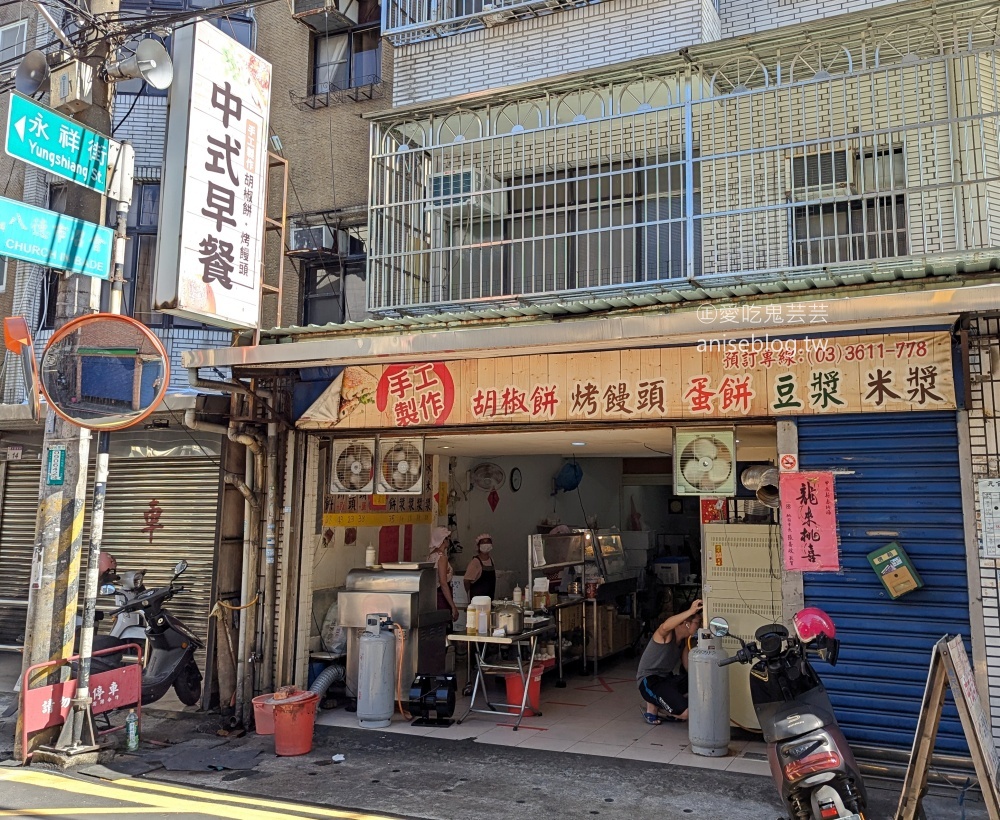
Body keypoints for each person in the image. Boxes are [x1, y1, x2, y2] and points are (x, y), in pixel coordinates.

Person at [636, 598, 703, 724]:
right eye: (697, 622)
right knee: (686, 713)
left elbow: (688, 668)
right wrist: (690, 611)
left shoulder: (684, 641)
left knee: (695, 680)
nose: (699, 626)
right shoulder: (666, 635)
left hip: (666, 679)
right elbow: (665, 625)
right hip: (650, 681)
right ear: (686, 623)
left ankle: (660, 704)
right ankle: (655, 707)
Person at [429, 526, 459, 623]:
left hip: (433, 596)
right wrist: (453, 606)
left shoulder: (431, 556)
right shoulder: (441, 557)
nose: (449, 540)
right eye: (447, 538)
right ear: (443, 540)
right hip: (442, 597)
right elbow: (443, 583)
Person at [463, 533, 497, 600]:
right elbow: (466, 580)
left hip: (489, 600)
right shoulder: (475, 562)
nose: (486, 545)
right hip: (477, 601)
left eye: (488, 542)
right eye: (483, 543)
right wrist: (469, 593)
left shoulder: (491, 560)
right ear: (478, 546)